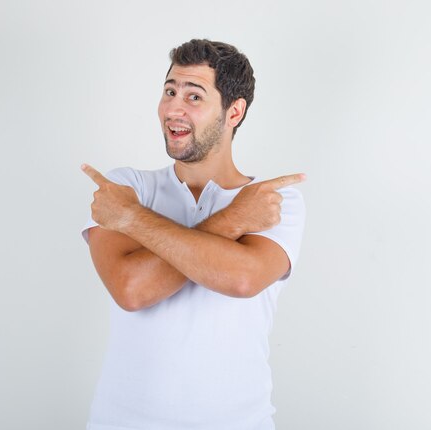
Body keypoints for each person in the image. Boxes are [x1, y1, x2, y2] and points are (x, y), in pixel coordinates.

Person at [81, 39, 306, 430]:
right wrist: (234, 221)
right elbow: (131, 289)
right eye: (169, 91)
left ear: (234, 111)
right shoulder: (126, 188)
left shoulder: (275, 200)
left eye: (194, 96)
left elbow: (241, 278)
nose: (173, 108)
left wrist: (133, 220)